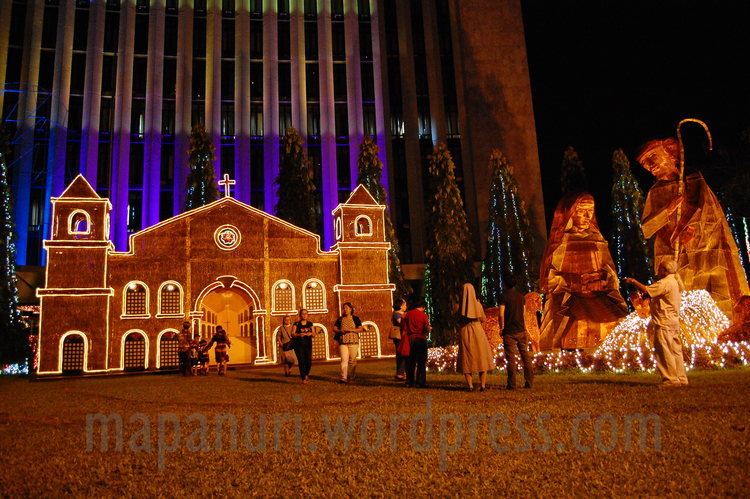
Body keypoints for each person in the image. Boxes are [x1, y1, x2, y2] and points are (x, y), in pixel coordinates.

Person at [637, 138, 749, 316]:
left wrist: (691, 230)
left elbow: (707, 210)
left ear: (671, 155)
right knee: (684, 296)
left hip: (705, 247)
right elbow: (647, 228)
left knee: (715, 290)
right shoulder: (655, 192)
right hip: (674, 253)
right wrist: (668, 210)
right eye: (644, 163)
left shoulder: (694, 179)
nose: (650, 165)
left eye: (653, 156)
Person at [539, 192, 629, 350]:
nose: (588, 216)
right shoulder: (561, 241)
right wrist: (575, 283)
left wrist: (604, 279)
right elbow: (550, 278)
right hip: (569, 297)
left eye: (591, 211)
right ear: (570, 213)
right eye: (582, 211)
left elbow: (610, 271)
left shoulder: (597, 238)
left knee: (620, 318)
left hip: (598, 295)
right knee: (578, 322)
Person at [624, 259, 688, 386]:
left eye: (659, 269)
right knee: (675, 351)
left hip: (664, 321)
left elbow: (646, 290)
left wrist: (633, 281)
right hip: (673, 321)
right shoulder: (674, 282)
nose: (657, 271)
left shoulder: (665, 283)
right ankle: (681, 378)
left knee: (665, 352)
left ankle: (671, 379)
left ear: (665, 270)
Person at [456, 283, 495, 392]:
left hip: (465, 331)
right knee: (481, 356)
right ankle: (482, 385)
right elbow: (483, 318)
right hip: (477, 331)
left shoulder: (458, 307)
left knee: (467, 357)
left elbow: (457, 320)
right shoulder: (478, 305)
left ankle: (470, 386)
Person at [499, 274, 535, 389]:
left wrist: (501, 327)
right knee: (526, 357)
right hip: (521, 330)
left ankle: (512, 384)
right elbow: (523, 314)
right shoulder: (521, 297)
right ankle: (529, 383)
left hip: (509, 331)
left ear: (505, 284)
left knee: (511, 359)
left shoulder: (503, 296)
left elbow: (501, 314)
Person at [401, 298, 431, 388]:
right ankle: (420, 382)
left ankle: (410, 382)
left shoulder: (407, 314)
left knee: (411, 361)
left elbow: (403, 326)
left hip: (410, 339)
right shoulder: (423, 315)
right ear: (423, 307)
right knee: (421, 362)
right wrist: (429, 329)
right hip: (421, 339)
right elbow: (426, 328)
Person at [333, 302, 365, 384]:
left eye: (347, 308)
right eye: (344, 308)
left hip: (353, 341)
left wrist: (351, 330)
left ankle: (352, 377)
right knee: (344, 360)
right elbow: (334, 328)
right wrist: (340, 331)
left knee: (352, 360)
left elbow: (360, 329)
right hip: (343, 341)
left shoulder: (356, 318)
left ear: (351, 309)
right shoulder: (340, 319)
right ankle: (343, 377)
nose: (345, 310)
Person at [292, 309, 317, 384]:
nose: (304, 315)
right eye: (303, 314)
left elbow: (314, 334)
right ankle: (303, 378)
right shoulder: (296, 324)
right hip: (299, 345)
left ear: (307, 315)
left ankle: (306, 374)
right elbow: (292, 334)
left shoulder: (310, 324)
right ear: (300, 315)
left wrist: (311, 334)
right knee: (301, 361)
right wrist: (299, 335)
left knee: (308, 361)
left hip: (308, 344)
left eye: (306, 314)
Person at [389, 299, 408, 380]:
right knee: (401, 354)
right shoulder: (397, 314)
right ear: (400, 306)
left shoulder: (402, 314)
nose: (406, 306)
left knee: (403, 354)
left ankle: (402, 372)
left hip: (402, 336)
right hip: (399, 336)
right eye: (404, 305)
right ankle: (400, 373)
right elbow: (401, 323)